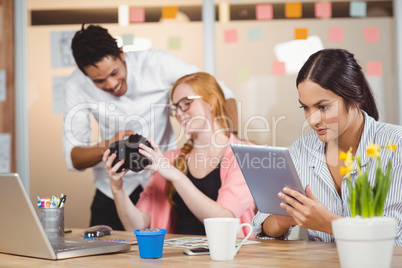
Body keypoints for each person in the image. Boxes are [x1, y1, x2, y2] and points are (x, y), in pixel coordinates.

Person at [62, 24, 238, 230]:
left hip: (161, 178)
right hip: (114, 187)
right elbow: (74, 157)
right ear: (85, 76)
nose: (111, 84)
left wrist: (231, 143)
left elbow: (219, 91)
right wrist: (110, 145)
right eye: (99, 81)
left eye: (114, 73)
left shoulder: (157, 64)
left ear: (122, 54)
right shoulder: (75, 85)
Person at [252, 48, 402, 246]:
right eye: (305, 107)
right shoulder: (301, 150)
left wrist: (328, 223)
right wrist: (285, 217)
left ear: (355, 98)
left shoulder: (395, 146)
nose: (313, 120)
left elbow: (394, 241)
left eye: (323, 107)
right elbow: (263, 228)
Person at [102, 72, 256, 236]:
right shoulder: (169, 160)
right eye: (175, 108)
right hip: (179, 258)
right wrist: (117, 189)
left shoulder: (245, 155)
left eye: (186, 103)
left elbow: (223, 220)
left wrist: (175, 176)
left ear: (212, 101)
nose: (179, 113)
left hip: (228, 257)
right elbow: (137, 227)